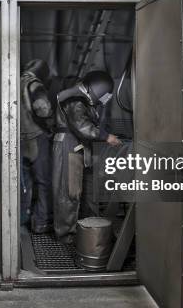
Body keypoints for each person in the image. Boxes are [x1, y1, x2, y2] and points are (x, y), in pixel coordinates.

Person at [52, 70, 121, 244]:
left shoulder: (82, 98)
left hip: (79, 146)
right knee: (69, 192)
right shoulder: (74, 98)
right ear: (97, 89)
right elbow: (82, 126)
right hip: (69, 145)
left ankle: (87, 231)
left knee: (84, 191)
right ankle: (66, 235)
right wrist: (107, 137)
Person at [20, 59, 54, 233]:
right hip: (36, 137)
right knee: (43, 182)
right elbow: (42, 108)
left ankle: (22, 221)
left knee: (23, 184)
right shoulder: (35, 84)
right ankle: (41, 222)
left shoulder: (14, 81)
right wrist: (50, 121)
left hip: (19, 140)